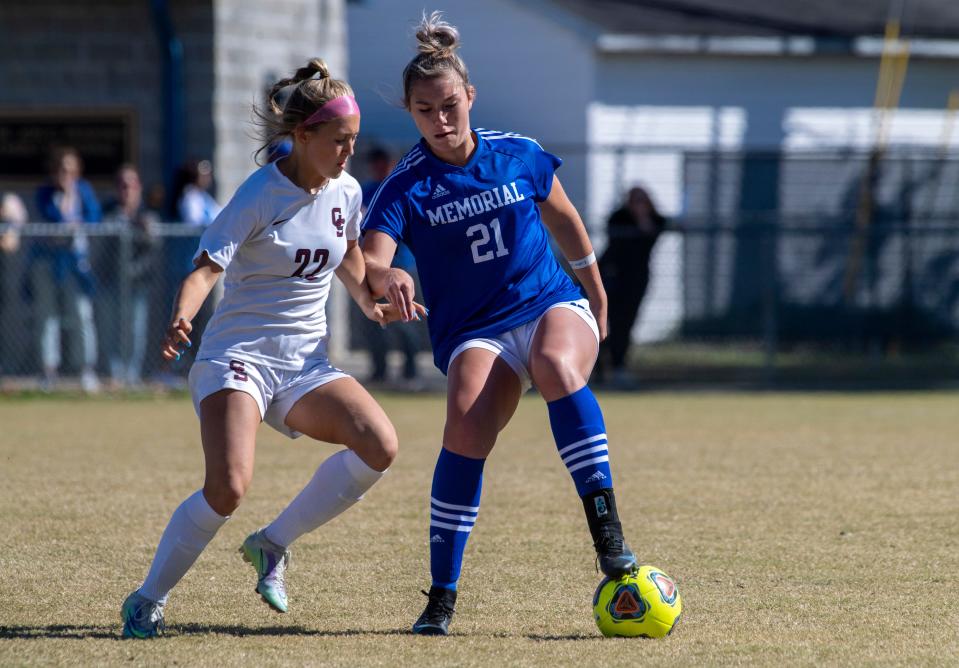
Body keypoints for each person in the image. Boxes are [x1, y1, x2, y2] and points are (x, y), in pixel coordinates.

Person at [120, 58, 424, 639]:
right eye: (338, 141)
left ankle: (272, 544)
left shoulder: (348, 191)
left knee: (380, 444)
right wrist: (182, 316)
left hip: (304, 365)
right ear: (301, 136)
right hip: (237, 358)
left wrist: (373, 300)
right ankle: (147, 598)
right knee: (228, 487)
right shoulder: (260, 193)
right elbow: (207, 268)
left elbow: (352, 263)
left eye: (353, 142)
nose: (347, 153)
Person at [362, 12, 638, 636]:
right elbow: (373, 258)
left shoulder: (518, 153)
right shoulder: (404, 184)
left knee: (556, 365)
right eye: (426, 109)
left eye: (450, 104)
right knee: (464, 422)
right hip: (475, 329)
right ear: (410, 111)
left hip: (546, 304)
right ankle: (441, 598)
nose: (441, 118)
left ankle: (610, 540)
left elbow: (565, 221)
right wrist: (389, 280)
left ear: (470, 97)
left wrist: (595, 293)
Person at [32, 146, 102, 392]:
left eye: (71, 170)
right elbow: (55, 219)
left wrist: (73, 196)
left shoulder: (83, 191)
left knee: (82, 315)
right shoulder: (45, 193)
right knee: (47, 316)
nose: (66, 175)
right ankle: (48, 371)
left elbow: (93, 219)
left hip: (76, 265)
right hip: (48, 263)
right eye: (62, 169)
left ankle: (86, 370)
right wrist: (66, 206)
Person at [359, 146, 422, 386]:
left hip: (401, 265)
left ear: (391, 163)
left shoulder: (400, 189)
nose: (379, 169)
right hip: (372, 267)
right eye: (375, 165)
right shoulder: (365, 191)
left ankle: (410, 372)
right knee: (372, 320)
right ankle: (379, 370)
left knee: (406, 318)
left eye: (383, 164)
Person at [99, 164, 162, 387]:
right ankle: (115, 376)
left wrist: (143, 231)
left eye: (131, 185)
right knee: (111, 331)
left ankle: (132, 376)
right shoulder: (108, 212)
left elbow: (154, 245)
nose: (126, 190)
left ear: (139, 187)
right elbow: (102, 240)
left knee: (135, 331)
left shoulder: (147, 215)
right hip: (111, 283)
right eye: (122, 185)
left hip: (137, 285)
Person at [598, 186, 665, 386]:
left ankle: (618, 366)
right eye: (634, 200)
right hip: (611, 276)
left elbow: (651, 234)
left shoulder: (655, 220)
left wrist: (642, 216)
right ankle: (597, 370)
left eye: (642, 200)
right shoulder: (618, 217)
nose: (637, 204)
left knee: (624, 325)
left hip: (635, 281)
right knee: (601, 325)